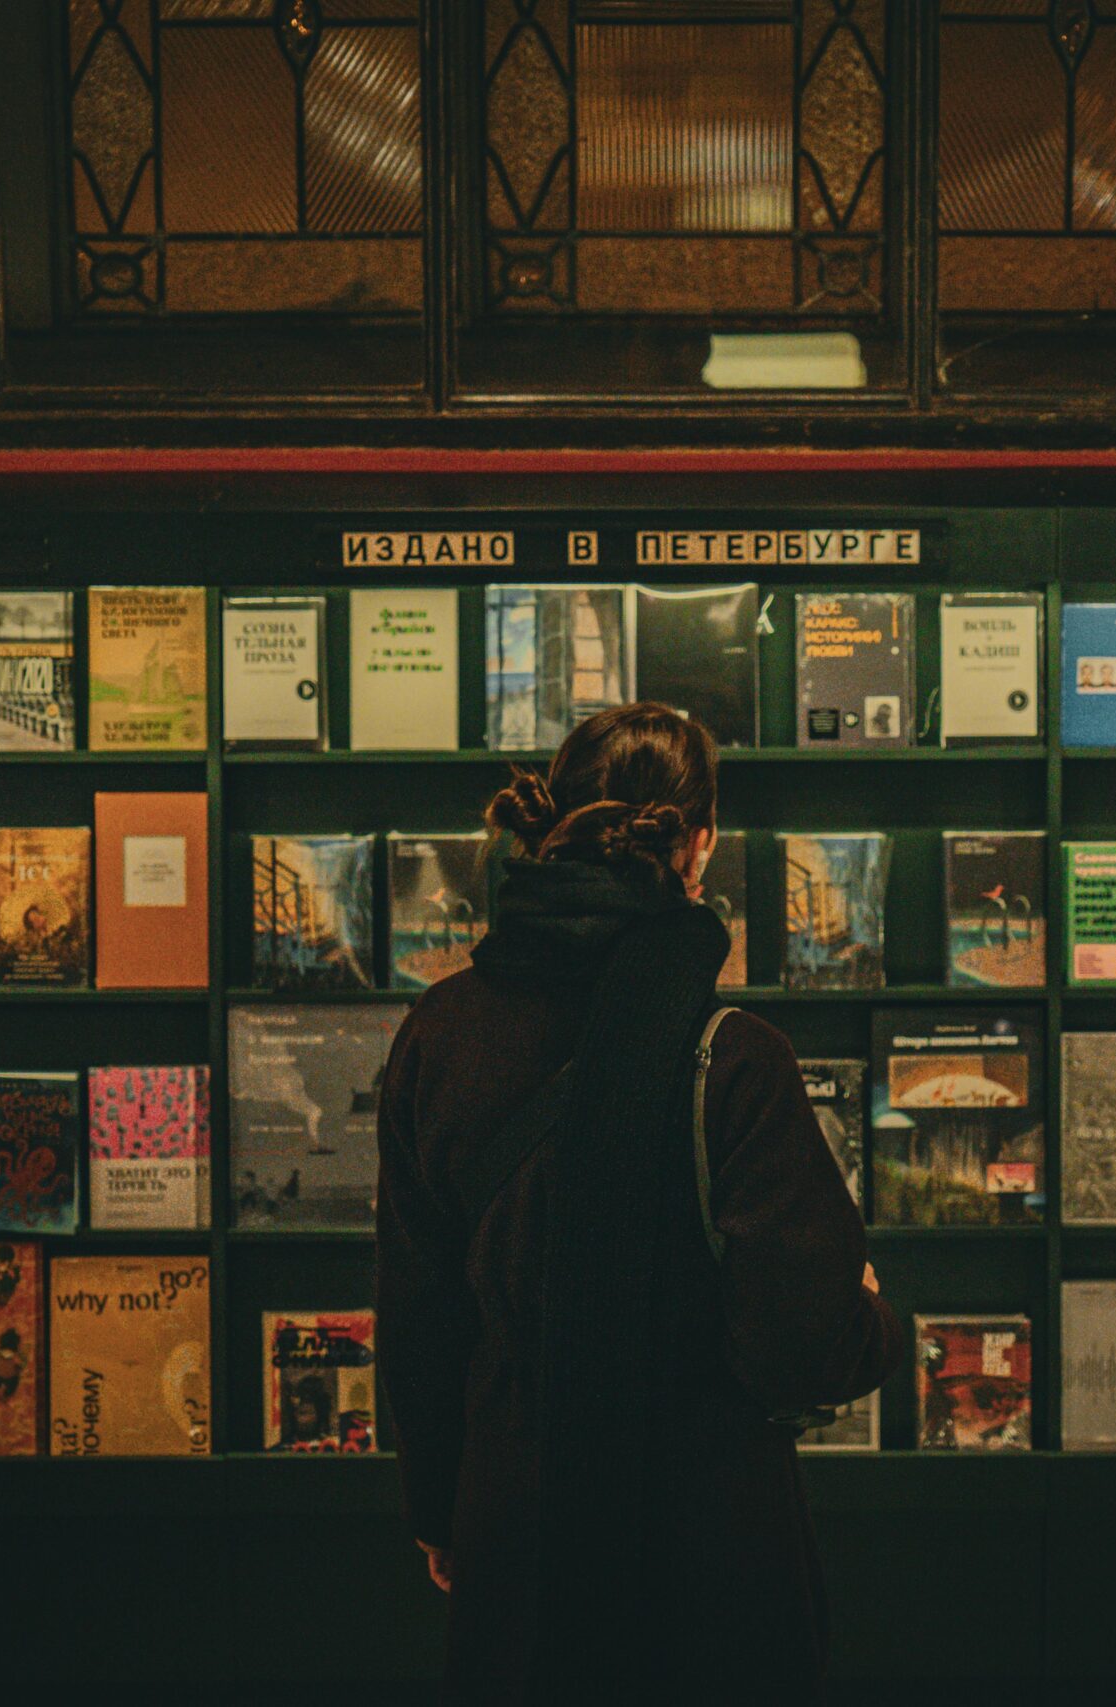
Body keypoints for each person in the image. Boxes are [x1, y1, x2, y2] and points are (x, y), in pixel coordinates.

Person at [377, 702, 901, 1702]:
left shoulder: (437, 1034)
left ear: (548, 823)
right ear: (699, 845)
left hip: (514, 1526)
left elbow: (419, 1312)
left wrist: (443, 1511)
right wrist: (866, 1313)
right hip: (707, 1544)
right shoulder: (737, 1056)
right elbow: (798, 1344)